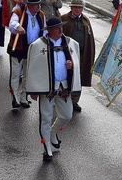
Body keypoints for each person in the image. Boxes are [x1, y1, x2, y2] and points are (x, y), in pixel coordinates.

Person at [24, 17, 81, 162]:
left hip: (63, 86)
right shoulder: (37, 45)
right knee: (46, 118)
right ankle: (47, 148)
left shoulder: (70, 43)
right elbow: (31, 67)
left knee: (67, 115)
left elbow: (77, 62)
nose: (60, 29)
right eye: (56, 28)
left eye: (60, 27)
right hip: (47, 88)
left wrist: (71, 66)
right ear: (49, 31)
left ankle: (53, 133)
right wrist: (32, 89)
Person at [7, 0, 46, 109]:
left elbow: (44, 31)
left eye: (39, 4)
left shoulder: (41, 15)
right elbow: (12, 24)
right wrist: (18, 27)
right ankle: (15, 97)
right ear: (29, 5)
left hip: (33, 50)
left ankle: (24, 97)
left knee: (28, 75)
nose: (38, 7)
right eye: (35, 5)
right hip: (18, 48)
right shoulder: (19, 12)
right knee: (15, 74)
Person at [61, 0, 95, 113]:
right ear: (71, 7)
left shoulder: (85, 20)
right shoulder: (64, 19)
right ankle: (63, 99)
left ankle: (74, 100)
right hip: (67, 54)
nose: (77, 9)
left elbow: (90, 38)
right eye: (75, 7)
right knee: (66, 76)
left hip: (81, 54)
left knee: (78, 77)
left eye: (80, 7)